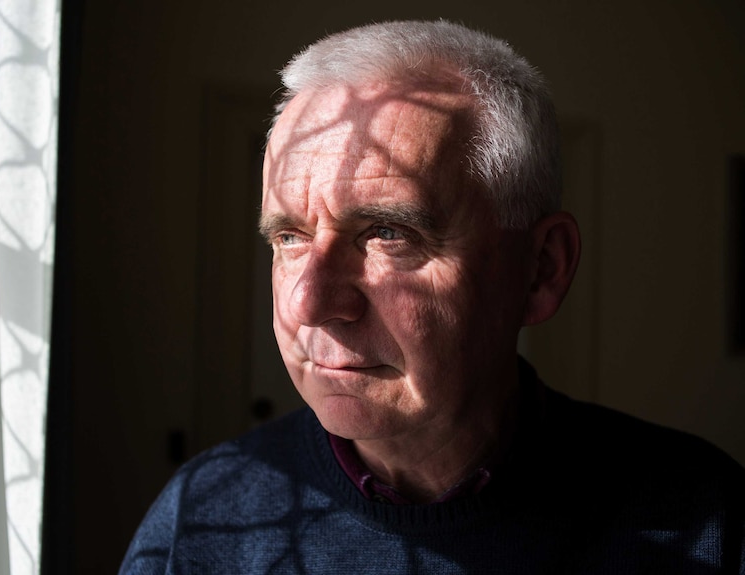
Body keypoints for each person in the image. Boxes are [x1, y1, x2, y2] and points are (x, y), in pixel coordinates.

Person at [121, 20, 744, 574]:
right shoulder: (202, 521)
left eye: (388, 233)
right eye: (290, 236)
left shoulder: (708, 521)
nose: (307, 302)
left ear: (540, 270)